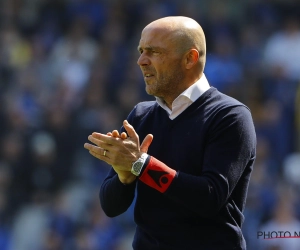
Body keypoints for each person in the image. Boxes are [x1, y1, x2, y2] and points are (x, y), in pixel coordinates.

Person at [84, 16, 256, 250]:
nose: (141, 61)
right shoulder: (141, 115)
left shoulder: (230, 116)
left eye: (154, 52)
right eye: (141, 50)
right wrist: (124, 176)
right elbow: (111, 207)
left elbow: (209, 197)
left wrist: (140, 165)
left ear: (189, 58)